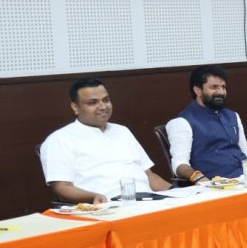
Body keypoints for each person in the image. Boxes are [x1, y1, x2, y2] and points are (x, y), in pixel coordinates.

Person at [40, 77, 172, 204]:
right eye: (93, 103)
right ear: (75, 107)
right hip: (106, 206)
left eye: (106, 100)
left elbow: (149, 176)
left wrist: (176, 192)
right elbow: (62, 187)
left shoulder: (122, 131)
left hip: (149, 201)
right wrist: (92, 197)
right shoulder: (59, 139)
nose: (103, 107)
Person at [166, 66, 247, 184]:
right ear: (198, 90)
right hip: (214, 185)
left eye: (223, 87)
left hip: (245, 181)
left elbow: (245, 154)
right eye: (214, 87)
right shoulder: (181, 122)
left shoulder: (233, 116)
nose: (221, 92)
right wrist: (200, 179)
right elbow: (179, 164)